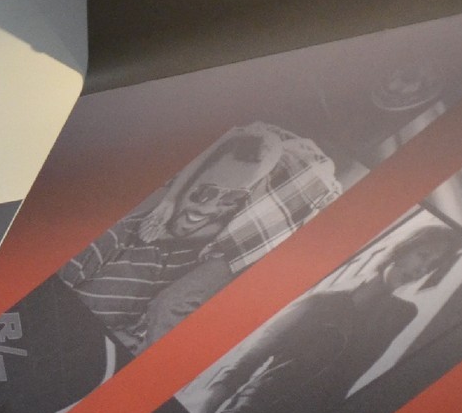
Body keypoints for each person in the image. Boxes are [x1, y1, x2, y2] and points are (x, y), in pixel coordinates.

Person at [194, 224, 462, 413]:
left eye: (431, 266)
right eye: (423, 255)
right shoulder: (319, 302)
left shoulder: (400, 315)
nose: (421, 270)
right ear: (403, 248)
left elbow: (348, 381)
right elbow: (247, 363)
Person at [59, 123, 341, 355]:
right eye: (204, 193)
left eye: (230, 200)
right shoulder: (113, 236)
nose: (210, 209)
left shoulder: (195, 263)